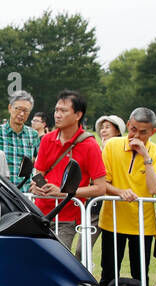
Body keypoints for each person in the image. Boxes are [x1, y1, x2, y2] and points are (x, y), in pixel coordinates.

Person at [30, 91, 107, 251]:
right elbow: (39, 173)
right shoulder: (46, 139)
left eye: (63, 111)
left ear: (78, 115)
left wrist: (64, 193)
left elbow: (100, 188)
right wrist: (38, 185)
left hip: (66, 217)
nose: (57, 115)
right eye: (56, 110)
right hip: (39, 211)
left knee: (56, 261)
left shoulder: (90, 145)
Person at [96, 107, 156, 286]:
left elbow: (153, 187)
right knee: (109, 273)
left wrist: (146, 156)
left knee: (140, 273)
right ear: (127, 125)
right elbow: (103, 183)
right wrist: (120, 192)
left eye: (143, 132)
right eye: (133, 129)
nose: (136, 135)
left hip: (143, 224)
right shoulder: (112, 145)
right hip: (113, 221)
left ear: (153, 132)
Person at [0, 91, 40, 192]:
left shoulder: (33, 135)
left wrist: (40, 185)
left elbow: (40, 165)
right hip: (1, 194)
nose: (21, 114)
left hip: (25, 195)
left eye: (26, 111)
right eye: (18, 109)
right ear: (10, 108)